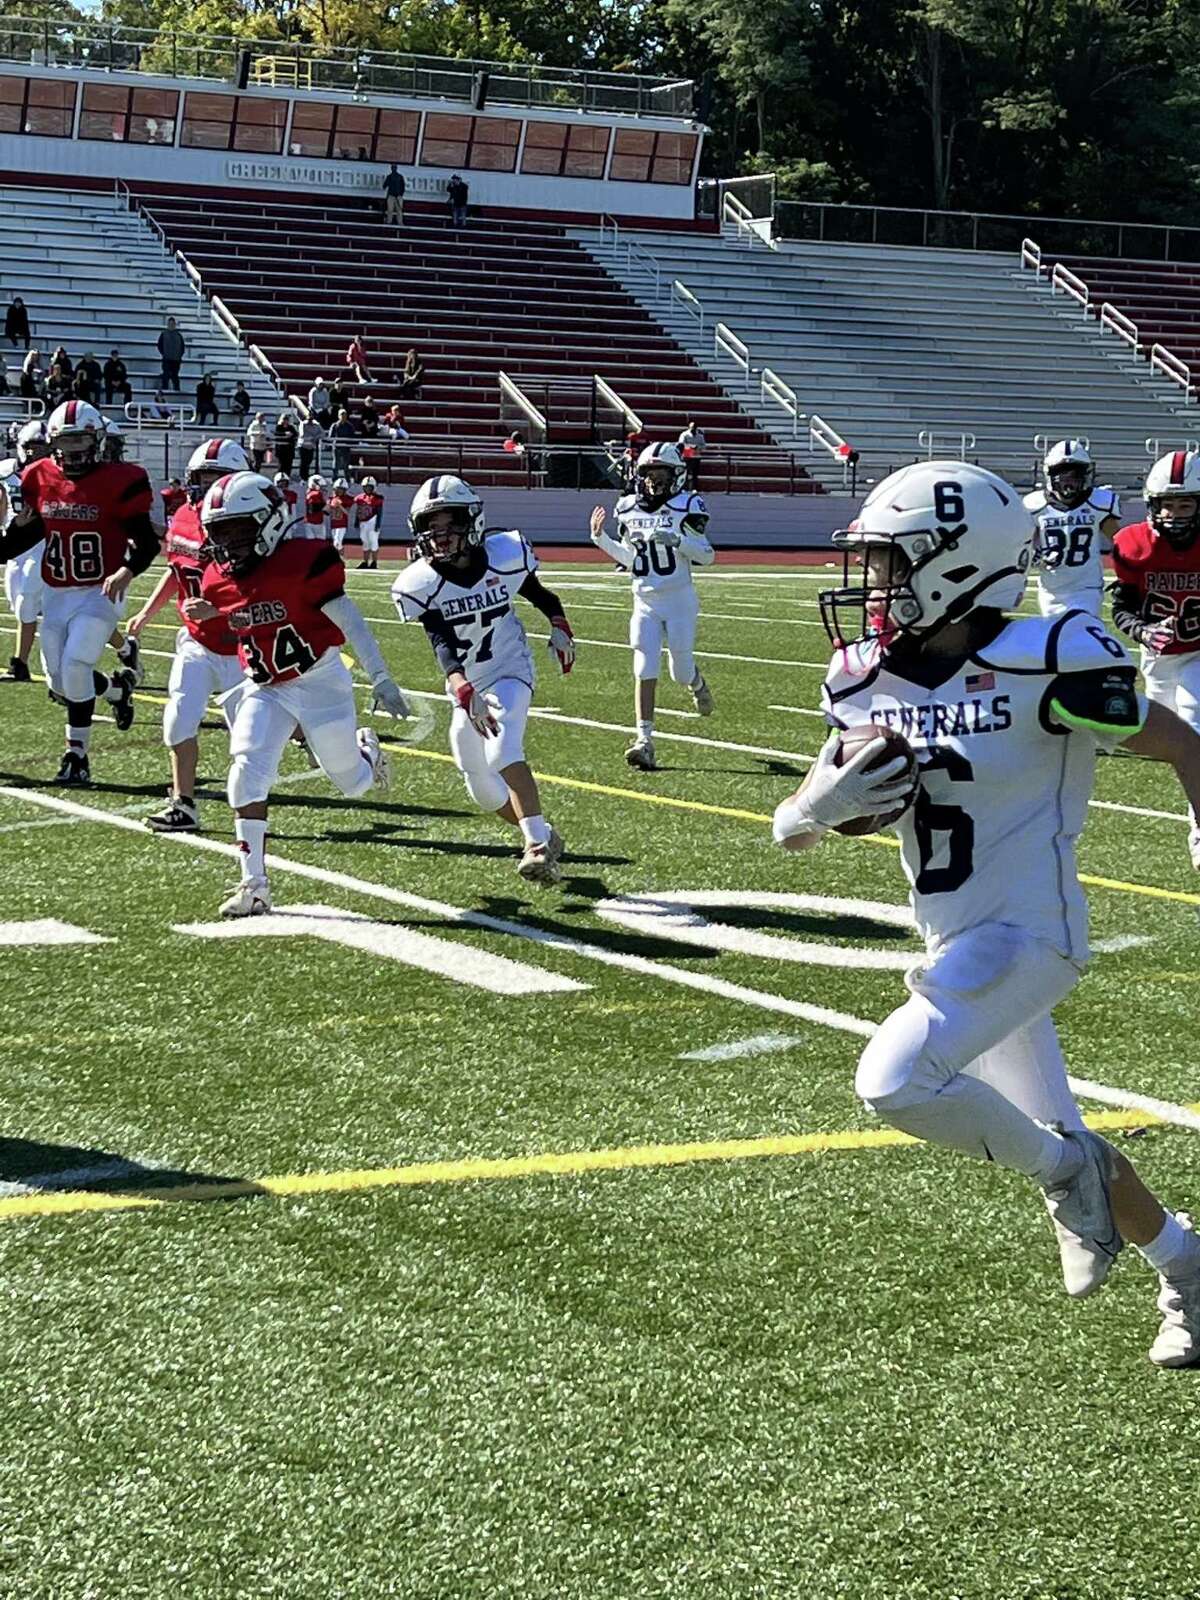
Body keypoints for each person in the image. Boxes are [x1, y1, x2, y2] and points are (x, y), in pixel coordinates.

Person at [773, 457, 1200, 1369]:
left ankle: (1062, 1180)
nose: (875, 585)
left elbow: (1180, 743)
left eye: (892, 563)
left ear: (955, 564)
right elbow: (825, 824)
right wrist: (822, 807)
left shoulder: (1049, 656)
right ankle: (1187, 1267)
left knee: (893, 1081)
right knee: (1064, 1127)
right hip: (959, 935)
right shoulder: (862, 679)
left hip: (1034, 935)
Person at [185, 470, 408, 916]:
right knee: (244, 771)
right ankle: (254, 885)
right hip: (266, 686)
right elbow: (244, 610)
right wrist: (218, 610)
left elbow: (350, 620)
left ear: (269, 523)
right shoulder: (216, 579)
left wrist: (380, 677)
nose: (229, 545)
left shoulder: (305, 562)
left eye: (239, 531)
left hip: (320, 682)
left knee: (352, 784)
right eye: (220, 534)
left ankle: (367, 752)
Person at [392, 474, 574, 885]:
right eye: (431, 528)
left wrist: (560, 624)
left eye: (449, 525)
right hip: (468, 681)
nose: (440, 537)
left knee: (502, 749)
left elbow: (542, 595)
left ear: (471, 521)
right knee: (478, 781)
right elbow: (441, 642)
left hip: (509, 669)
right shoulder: (421, 582)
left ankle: (536, 848)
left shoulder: (504, 555)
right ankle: (544, 832)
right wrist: (460, 684)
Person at [0, 400, 157, 785]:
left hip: (99, 590)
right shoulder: (39, 476)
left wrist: (126, 570)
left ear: (97, 440)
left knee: (75, 665)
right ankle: (116, 690)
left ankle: (77, 756)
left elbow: (147, 543)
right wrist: (10, 536)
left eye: (79, 441)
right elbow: (29, 534)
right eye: (64, 442)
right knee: (59, 682)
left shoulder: (122, 480)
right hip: (57, 591)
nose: (71, 451)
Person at [125, 438, 253, 833]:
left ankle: (319, 740)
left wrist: (220, 609)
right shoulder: (183, 516)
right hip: (196, 640)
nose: (210, 488)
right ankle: (184, 805)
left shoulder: (251, 527)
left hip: (242, 647)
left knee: (249, 743)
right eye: (204, 478)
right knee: (178, 721)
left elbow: (267, 592)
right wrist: (148, 611)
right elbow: (178, 569)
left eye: (219, 478)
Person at [589, 441, 715, 771]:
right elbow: (632, 560)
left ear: (676, 476)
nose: (654, 482)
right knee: (644, 666)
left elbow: (707, 556)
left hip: (679, 601)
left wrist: (680, 542)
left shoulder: (688, 505)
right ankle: (644, 740)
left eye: (661, 475)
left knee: (680, 671)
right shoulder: (628, 507)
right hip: (644, 600)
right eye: (649, 474)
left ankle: (697, 683)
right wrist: (601, 540)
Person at [1110, 449, 1200, 863]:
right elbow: (1122, 608)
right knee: (1163, 741)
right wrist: (1142, 630)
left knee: (1196, 726)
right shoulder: (1133, 545)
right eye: (1168, 505)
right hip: (1159, 660)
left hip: (1198, 651)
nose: (1176, 515)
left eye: (1186, 505)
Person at [1023, 440, 1120, 617]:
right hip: (1050, 590)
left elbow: (1121, 543)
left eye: (1074, 475)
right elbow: (1023, 543)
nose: (1069, 482)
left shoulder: (1098, 502)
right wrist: (1032, 554)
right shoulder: (1035, 505)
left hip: (1086, 588)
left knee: (1079, 632)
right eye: (1062, 475)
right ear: (1050, 474)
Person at [0, 419, 52, 683]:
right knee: (16, 602)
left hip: (40, 543)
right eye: (32, 448)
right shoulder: (7, 470)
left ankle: (19, 663)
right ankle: (124, 647)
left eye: (43, 449)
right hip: (13, 546)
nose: (37, 455)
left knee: (26, 602)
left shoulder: (54, 473)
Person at [354, 475, 384, 569]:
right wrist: (356, 520)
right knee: (365, 541)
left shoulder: (377, 498)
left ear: (373, 487)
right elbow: (358, 510)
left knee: (373, 541)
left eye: (369, 487)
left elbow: (379, 512)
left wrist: (378, 524)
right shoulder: (360, 498)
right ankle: (365, 561)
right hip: (363, 522)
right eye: (365, 487)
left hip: (372, 521)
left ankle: (374, 562)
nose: (367, 489)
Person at [158, 316, 185, 392]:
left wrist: (179, 356)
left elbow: (182, 347)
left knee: (175, 376)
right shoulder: (164, 334)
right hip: (166, 359)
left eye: (173, 324)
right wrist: (164, 353)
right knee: (165, 375)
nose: (171, 325)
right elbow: (159, 345)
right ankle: (165, 390)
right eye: (170, 324)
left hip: (176, 360)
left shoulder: (179, 335)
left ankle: (177, 390)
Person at [676, 420, 706, 490]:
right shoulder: (684, 435)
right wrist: (691, 447)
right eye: (692, 427)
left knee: (695, 475)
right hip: (687, 457)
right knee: (685, 473)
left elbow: (704, 446)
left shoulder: (700, 436)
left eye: (694, 428)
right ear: (689, 427)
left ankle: (694, 489)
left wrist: (697, 447)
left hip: (696, 457)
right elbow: (681, 444)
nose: (693, 429)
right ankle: (684, 488)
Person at [328, 476, 354, 552]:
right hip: (333, 524)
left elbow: (347, 512)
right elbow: (328, 511)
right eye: (338, 489)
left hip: (342, 524)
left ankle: (337, 558)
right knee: (336, 544)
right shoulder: (332, 498)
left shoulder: (347, 499)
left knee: (336, 543)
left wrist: (340, 505)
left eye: (341, 489)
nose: (339, 491)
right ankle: (340, 555)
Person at [329, 407, 357, 477]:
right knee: (336, 464)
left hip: (346, 448)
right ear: (339, 416)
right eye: (341, 415)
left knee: (346, 465)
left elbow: (353, 436)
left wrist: (348, 443)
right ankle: (334, 478)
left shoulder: (350, 426)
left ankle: (347, 479)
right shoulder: (334, 425)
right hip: (337, 447)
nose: (343, 417)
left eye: (344, 415)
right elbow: (331, 436)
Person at [303, 473, 328, 540]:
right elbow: (313, 509)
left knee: (311, 543)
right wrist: (326, 506)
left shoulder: (309, 492)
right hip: (316, 522)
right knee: (320, 543)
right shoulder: (316, 494)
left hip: (310, 521)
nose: (322, 488)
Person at [274, 410, 298, 477]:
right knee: (281, 465)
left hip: (289, 450)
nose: (285, 421)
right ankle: (280, 477)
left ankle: (288, 477)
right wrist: (284, 434)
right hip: (281, 450)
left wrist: (291, 435)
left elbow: (296, 434)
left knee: (288, 465)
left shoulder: (291, 427)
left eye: (287, 419)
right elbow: (276, 434)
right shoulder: (279, 427)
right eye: (284, 419)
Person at [298, 413, 321, 480]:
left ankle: (306, 475)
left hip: (311, 447)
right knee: (303, 462)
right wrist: (311, 436)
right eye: (309, 418)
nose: (310, 420)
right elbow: (302, 434)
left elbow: (322, 433)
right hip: (303, 446)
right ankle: (302, 476)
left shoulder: (316, 425)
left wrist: (315, 437)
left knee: (309, 461)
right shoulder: (303, 424)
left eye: (311, 418)